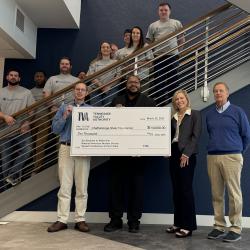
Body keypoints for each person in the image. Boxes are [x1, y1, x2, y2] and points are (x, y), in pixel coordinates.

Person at [104, 75, 156, 233]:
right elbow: (107, 123)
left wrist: (148, 148)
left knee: (137, 189)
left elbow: (153, 126)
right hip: (118, 154)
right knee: (116, 188)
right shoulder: (116, 101)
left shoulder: (149, 102)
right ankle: (115, 220)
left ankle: (134, 221)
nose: (133, 84)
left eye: (136, 82)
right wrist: (114, 113)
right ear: (126, 85)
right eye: (130, 82)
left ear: (140, 85)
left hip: (139, 156)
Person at [206, 82, 250, 242]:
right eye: (216, 91)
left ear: (227, 93)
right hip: (212, 157)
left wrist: (236, 152)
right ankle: (219, 226)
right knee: (216, 194)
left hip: (232, 156)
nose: (218, 93)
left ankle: (236, 228)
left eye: (221, 91)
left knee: (234, 194)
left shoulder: (238, 112)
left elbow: (246, 136)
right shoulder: (210, 114)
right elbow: (212, 134)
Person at [47, 82, 91, 233]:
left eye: (82, 90)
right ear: (73, 92)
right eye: (77, 89)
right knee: (65, 187)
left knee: (82, 187)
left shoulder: (91, 110)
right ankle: (62, 220)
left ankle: (80, 220)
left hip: (83, 151)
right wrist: (65, 115)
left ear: (86, 92)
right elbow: (55, 130)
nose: (79, 92)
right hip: (66, 147)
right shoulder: (63, 107)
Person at [166, 89, 201, 238]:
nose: (179, 101)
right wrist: (165, 149)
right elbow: (169, 136)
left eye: (181, 98)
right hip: (173, 153)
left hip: (187, 154)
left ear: (186, 99)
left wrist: (186, 153)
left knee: (186, 190)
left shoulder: (195, 114)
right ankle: (178, 223)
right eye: (176, 99)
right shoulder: (173, 117)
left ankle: (188, 226)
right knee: (176, 190)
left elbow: (196, 136)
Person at [0, 69, 35, 186]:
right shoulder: (1, 92)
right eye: (11, 75)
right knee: (5, 161)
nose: (13, 77)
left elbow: (32, 110)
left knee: (28, 150)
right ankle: (7, 187)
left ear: (19, 78)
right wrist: (5, 116)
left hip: (22, 130)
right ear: (7, 77)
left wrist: (27, 122)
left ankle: (13, 175)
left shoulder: (26, 93)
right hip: (4, 131)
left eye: (16, 75)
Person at [146, 2, 185, 105]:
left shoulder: (176, 23)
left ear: (169, 11)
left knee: (174, 81)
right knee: (159, 83)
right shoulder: (153, 25)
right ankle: (162, 106)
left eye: (165, 10)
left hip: (172, 57)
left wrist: (178, 53)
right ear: (158, 12)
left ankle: (175, 105)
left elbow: (181, 39)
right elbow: (149, 43)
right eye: (161, 10)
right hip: (158, 58)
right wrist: (152, 56)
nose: (163, 12)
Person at [87, 42, 119, 106]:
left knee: (108, 109)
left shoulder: (116, 62)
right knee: (96, 110)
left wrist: (108, 86)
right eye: (103, 47)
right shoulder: (94, 63)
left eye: (107, 47)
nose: (105, 49)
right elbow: (91, 76)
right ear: (101, 50)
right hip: (95, 89)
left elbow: (118, 75)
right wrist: (101, 86)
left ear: (110, 50)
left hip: (111, 89)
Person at [30, 71, 50, 174]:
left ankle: (37, 169)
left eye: (41, 76)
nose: (39, 78)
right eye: (37, 76)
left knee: (40, 145)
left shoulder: (48, 90)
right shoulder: (30, 92)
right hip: (32, 122)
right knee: (33, 146)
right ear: (34, 78)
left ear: (44, 78)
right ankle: (35, 165)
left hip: (44, 121)